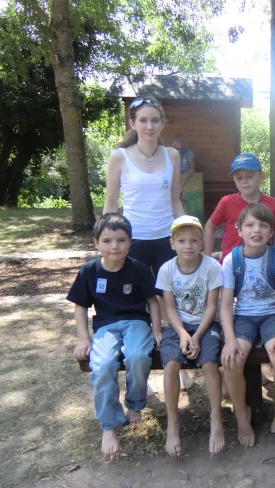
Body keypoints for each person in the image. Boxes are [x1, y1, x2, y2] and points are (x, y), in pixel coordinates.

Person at [103, 96, 192, 390]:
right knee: (138, 300)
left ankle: (179, 361)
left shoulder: (172, 156)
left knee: (174, 298)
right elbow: (111, 204)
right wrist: (108, 240)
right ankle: (140, 365)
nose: (149, 125)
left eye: (155, 120)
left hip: (167, 239)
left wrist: (188, 230)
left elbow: (175, 199)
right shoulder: (120, 156)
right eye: (143, 120)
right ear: (133, 123)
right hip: (134, 240)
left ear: (162, 123)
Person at [68, 214, 162, 455]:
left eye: (121, 240)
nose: (114, 246)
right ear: (96, 243)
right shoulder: (89, 270)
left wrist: (157, 329)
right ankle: (108, 425)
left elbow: (153, 301)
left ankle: (135, 404)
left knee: (138, 356)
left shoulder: (139, 269)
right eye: (107, 240)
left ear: (130, 242)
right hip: (105, 326)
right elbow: (80, 306)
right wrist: (84, 338)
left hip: (136, 323)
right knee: (102, 365)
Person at [219, 203, 275, 447]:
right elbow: (226, 303)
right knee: (231, 361)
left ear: (271, 232)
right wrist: (229, 339)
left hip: (272, 315)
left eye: (263, 225)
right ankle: (242, 414)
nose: (256, 230)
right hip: (244, 317)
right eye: (250, 225)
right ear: (239, 230)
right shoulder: (232, 260)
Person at [156, 216, 225, 456]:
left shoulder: (212, 267)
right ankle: (173, 423)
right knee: (171, 364)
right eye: (182, 240)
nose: (188, 245)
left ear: (202, 243)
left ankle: (216, 419)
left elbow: (212, 306)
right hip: (178, 327)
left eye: (194, 240)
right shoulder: (166, 269)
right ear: (172, 243)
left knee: (209, 364)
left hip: (207, 325)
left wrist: (197, 337)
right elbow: (170, 308)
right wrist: (184, 334)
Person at [204, 153, 275, 260]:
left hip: (263, 265)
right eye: (239, 178)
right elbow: (210, 226)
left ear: (262, 177)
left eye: (250, 176)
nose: (244, 181)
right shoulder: (227, 202)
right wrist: (207, 257)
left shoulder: (273, 204)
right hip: (231, 266)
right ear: (234, 180)